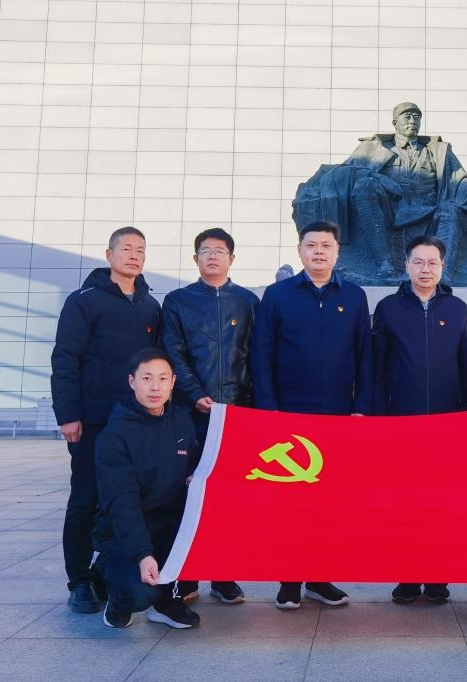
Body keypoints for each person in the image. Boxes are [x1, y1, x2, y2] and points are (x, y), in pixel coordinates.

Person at [250, 220, 373, 609]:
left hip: (337, 414)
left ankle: (319, 578)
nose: (319, 251)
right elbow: (261, 354)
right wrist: (268, 408)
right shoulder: (278, 295)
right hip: (289, 415)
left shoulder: (354, 296)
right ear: (300, 250)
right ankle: (289, 580)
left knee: (329, 502)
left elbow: (365, 356)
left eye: (326, 245)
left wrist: (360, 407)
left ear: (337, 251)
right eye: (311, 245)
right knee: (290, 503)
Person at [292, 102, 467, 286]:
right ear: (395, 122)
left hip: (428, 207)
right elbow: (345, 173)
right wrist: (379, 178)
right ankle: (383, 263)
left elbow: (458, 180)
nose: (412, 121)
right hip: (390, 208)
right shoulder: (375, 148)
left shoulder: (437, 151)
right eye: (407, 116)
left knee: (450, 209)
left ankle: (443, 273)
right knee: (364, 186)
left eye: (416, 117)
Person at [50, 226, 161, 613]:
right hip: (93, 421)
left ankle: (108, 572)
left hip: (136, 422)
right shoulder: (84, 301)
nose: (134, 255)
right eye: (126, 248)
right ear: (109, 254)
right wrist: (68, 415)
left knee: (131, 500)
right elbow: (65, 359)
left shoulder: (150, 306)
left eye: (140, 250)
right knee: (86, 499)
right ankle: (79, 580)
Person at [372, 235, 467, 605]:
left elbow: (466, 364)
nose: (425, 269)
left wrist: (466, 419)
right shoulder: (388, 308)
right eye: (418, 262)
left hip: (447, 425)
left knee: (441, 505)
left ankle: (437, 576)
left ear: (442, 267)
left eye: (432, 263)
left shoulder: (457, 308)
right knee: (405, 505)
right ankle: (408, 575)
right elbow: (377, 368)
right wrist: (380, 418)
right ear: (407, 265)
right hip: (402, 424)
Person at [161, 227, 258, 606]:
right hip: (191, 413)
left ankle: (224, 575)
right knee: (187, 493)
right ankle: (186, 576)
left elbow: (257, 355)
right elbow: (173, 351)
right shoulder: (178, 301)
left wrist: (252, 405)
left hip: (237, 414)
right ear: (195, 258)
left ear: (232, 258)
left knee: (228, 497)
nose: (213, 256)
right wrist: (194, 394)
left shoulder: (248, 302)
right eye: (206, 251)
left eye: (220, 251)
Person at [94, 348, 202, 629]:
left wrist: (194, 475)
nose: (155, 387)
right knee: (139, 593)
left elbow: (196, 463)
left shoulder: (181, 419)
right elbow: (123, 503)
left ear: (173, 382)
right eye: (147, 378)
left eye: (163, 378)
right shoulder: (115, 435)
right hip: (123, 532)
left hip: (168, 527)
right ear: (132, 381)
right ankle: (117, 596)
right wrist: (142, 554)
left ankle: (166, 603)